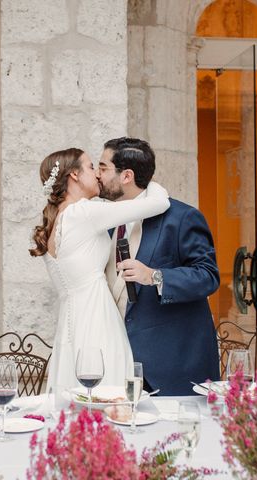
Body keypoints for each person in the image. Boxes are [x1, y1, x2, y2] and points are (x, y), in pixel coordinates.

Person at [29, 148, 169, 397]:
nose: (97, 175)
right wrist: (146, 180)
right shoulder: (83, 212)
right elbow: (158, 203)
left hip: (70, 328)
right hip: (97, 323)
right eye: (91, 167)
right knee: (107, 397)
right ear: (74, 175)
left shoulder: (57, 220)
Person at [98, 137, 221, 396]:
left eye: (103, 167)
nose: (97, 175)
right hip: (117, 368)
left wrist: (154, 276)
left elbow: (208, 276)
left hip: (170, 367)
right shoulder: (106, 221)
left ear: (126, 176)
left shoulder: (182, 217)